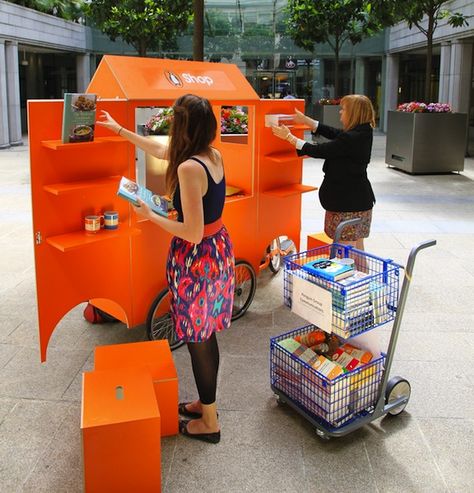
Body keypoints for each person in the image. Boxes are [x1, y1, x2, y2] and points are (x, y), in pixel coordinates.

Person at [98, 94, 235, 444]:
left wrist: (152, 215)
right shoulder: (210, 154)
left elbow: (190, 231)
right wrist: (120, 130)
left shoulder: (189, 168)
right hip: (216, 251)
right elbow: (161, 151)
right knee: (205, 335)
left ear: (185, 126)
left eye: (175, 120)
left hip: (197, 261)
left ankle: (210, 422)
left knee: (196, 339)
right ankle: (208, 406)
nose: (170, 125)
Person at [271, 94, 376, 252]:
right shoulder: (362, 132)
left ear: (354, 113)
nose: (340, 112)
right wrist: (307, 121)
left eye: (344, 109)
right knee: (357, 248)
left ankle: (351, 277)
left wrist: (289, 137)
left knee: (346, 251)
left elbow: (320, 150)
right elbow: (335, 133)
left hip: (348, 204)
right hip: (360, 202)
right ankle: (363, 276)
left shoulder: (352, 138)